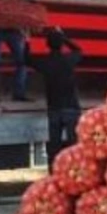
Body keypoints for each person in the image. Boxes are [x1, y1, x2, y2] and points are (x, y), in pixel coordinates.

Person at [26, 26, 83, 168]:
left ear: (47, 45)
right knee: (74, 145)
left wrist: (27, 40)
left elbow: (26, 58)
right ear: (61, 44)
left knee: (54, 146)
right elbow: (78, 50)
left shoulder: (46, 62)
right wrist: (63, 38)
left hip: (54, 108)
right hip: (71, 107)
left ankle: (54, 173)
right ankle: (76, 173)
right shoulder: (69, 59)